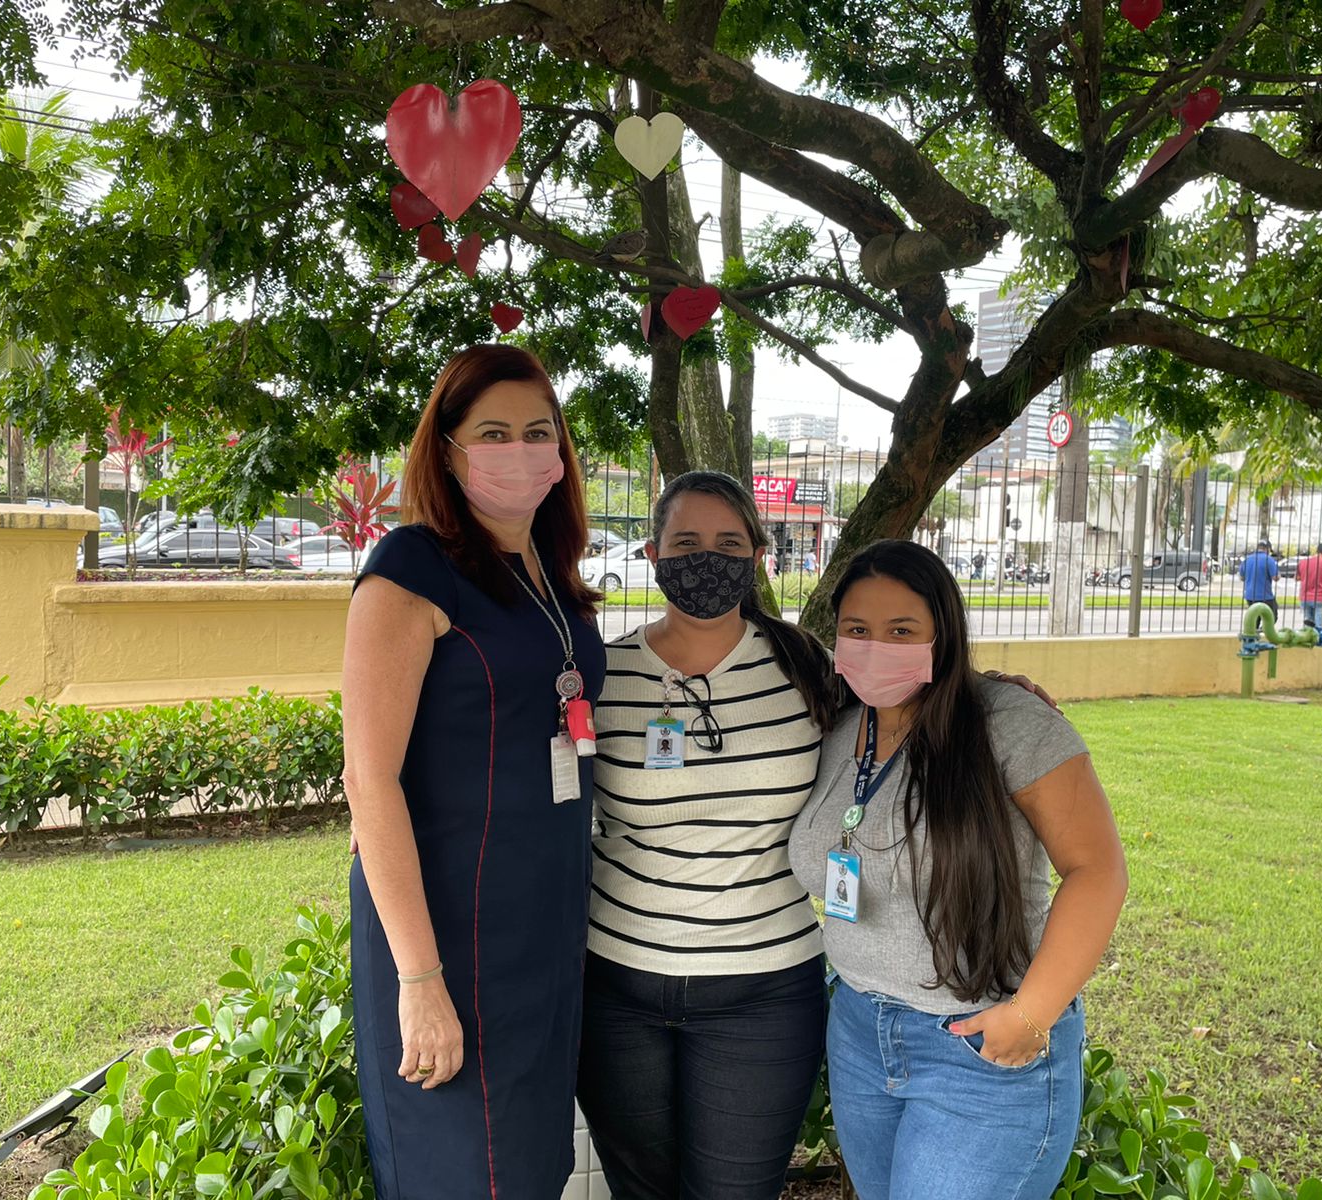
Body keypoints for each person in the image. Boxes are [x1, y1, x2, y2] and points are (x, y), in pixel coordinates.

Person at [342, 345, 607, 1200]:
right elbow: (368, 782)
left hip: (543, 933)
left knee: (532, 1167)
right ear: (448, 451)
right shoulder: (410, 570)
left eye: (538, 432)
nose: (520, 451)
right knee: (458, 1171)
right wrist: (420, 982)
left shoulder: (550, 577)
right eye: (493, 433)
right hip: (448, 937)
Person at [788, 540, 1128, 1200]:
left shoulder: (1009, 723)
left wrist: (1030, 1016)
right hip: (860, 1034)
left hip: (977, 1046)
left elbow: (1098, 869)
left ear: (941, 635)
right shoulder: (836, 726)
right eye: (858, 629)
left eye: (901, 631)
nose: (876, 647)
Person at [578, 470, 841, 1200]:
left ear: (757, 555)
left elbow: (904, 720)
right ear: (653, 553)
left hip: (765, 993)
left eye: (728, 543)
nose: (706, 559)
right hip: (617, 987)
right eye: (686, 541)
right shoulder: (604, 675)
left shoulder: (806, 666)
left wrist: (995, 693)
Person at [1239, 538, 1281, 621]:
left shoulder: (1247, 560)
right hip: (1265, 596)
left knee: (1255, 619)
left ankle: (1256, 629)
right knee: (1272, 618)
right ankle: (1264, 629)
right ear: (1267, 549)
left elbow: (1242, 577)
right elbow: (1275, 577)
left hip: (1250, 596)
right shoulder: (1269, 559)